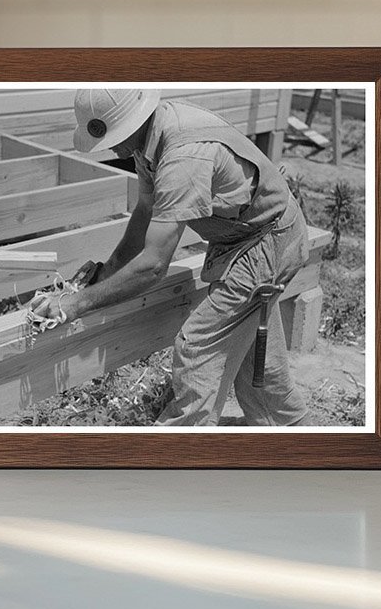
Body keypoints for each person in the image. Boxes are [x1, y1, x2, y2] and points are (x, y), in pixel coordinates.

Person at [28, 89, 312, 427]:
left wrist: (76, 305)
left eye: (112, 137)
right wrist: (104, 275)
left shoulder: (183, 158)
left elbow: (153, 266)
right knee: (252, 355)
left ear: (130, 121)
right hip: (248, 235)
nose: (110, 148)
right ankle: (289, 427)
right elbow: (145, 215)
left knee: (199, 348)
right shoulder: (149, 137)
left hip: (269, 239)